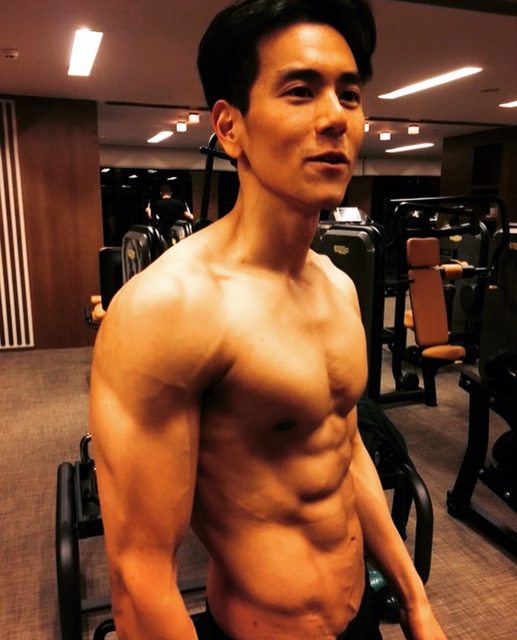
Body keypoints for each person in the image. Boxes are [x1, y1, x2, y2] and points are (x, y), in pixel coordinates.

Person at [89, 1, 448, 638]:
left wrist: (417, 604)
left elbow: (343, 447)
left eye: (349, 94)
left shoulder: (338, 288)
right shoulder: (168, 308)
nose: (335, 117)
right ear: (230, 129)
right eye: (300, 90)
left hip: (359, 618)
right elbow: (139, 576)